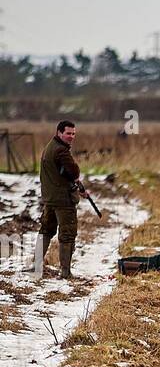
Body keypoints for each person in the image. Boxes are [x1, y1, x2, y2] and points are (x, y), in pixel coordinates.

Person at [38, 119, 81, 279]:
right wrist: (75, 179)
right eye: (68, 133)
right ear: (59, 133)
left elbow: (62, 173)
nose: (71, 136)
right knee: (67, 234)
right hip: (63, 201)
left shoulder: (49, 147)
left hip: (49, 199)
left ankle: (36, 265)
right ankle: (65, 272)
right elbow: (74, 171)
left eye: (73, 133)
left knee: (45, 231)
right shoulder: (61, 151)